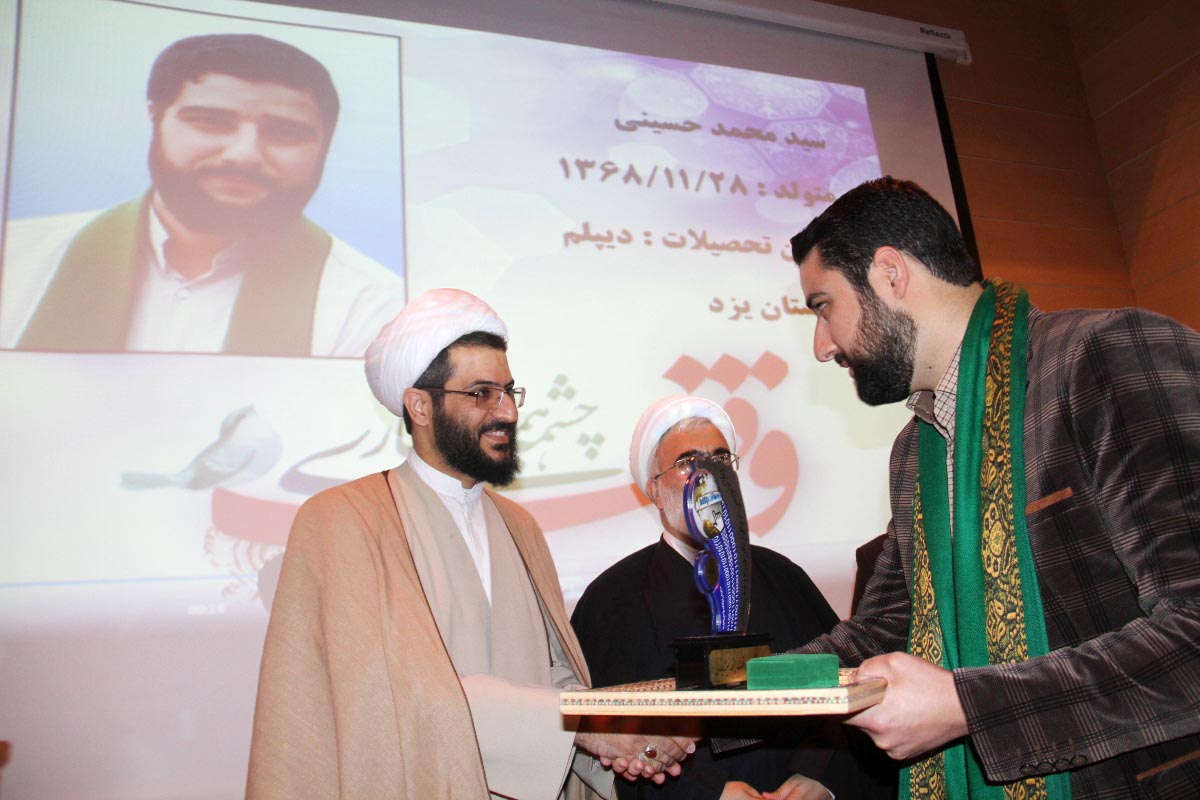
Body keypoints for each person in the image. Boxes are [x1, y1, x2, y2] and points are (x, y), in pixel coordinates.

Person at [788, 176, 1200, 798]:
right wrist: (702, 703)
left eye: (823, 306)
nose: (822, 346)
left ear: (890, 274)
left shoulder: (1105, 355)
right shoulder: (914, 451)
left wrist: (968, 706)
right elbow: (883, 631)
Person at [246, 288, 695, 799]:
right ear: (420, 405)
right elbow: (391, 696)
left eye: (509, 391)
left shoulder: (519, 525)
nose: (508, 413)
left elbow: (552, 673)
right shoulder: (343, 520)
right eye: (482, 393)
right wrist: (582, 724)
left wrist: (619, 731)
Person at [572, 396, 895, 800]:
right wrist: (711, 793)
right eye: (688, 461)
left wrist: (819, 778)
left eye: (721, 459)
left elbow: (849, 689)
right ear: (654, 489)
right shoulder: (612, 599)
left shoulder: (783, 577)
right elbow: (616, 742)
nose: (708, 475)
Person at [0, 33, 403, 356]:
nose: (244, 154)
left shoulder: (375, 308)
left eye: (285, 132)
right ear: (155, 117)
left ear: (324, 145)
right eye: (211, 121)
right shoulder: (16, 259)